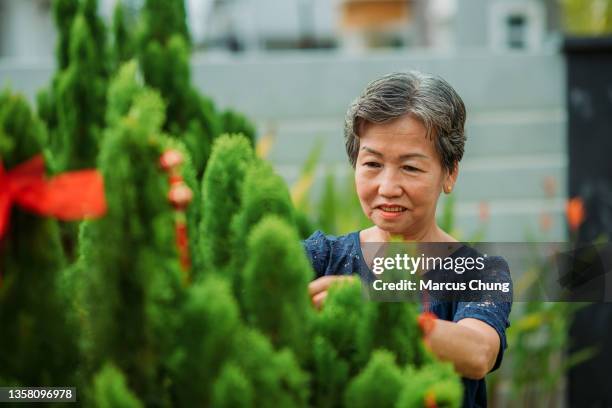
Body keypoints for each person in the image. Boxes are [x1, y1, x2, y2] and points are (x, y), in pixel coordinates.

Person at [302, 71, 512, 408]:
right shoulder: (320, 258)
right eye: (372, 163)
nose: (387, 187)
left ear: (450, 173)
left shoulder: (479, 272)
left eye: (410, 168)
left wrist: (369, 314)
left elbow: (478, 352)